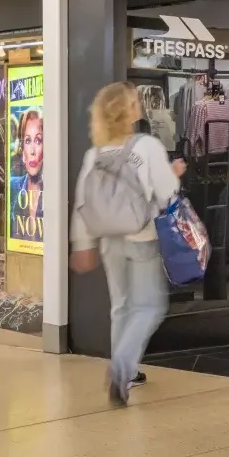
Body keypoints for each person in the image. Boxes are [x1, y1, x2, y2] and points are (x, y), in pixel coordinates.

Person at [69, 82, 186, 406]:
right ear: (127, 111)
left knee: (121, 306)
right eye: (135, 101)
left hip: (108, 241)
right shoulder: (146, 147)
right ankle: (122, 366)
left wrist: (83, 243)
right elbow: (165, 194)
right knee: (149, 306)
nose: (139, 105)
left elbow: (83, 202)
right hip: (142, 236)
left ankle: (127, 369)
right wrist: (174, 173)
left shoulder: (95, 154)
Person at [9, 109, 43, 241]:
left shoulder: (55, 191)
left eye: (38, 141)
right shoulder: (12, 187)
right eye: (28, 141)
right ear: (22, 148)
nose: (33, 150)